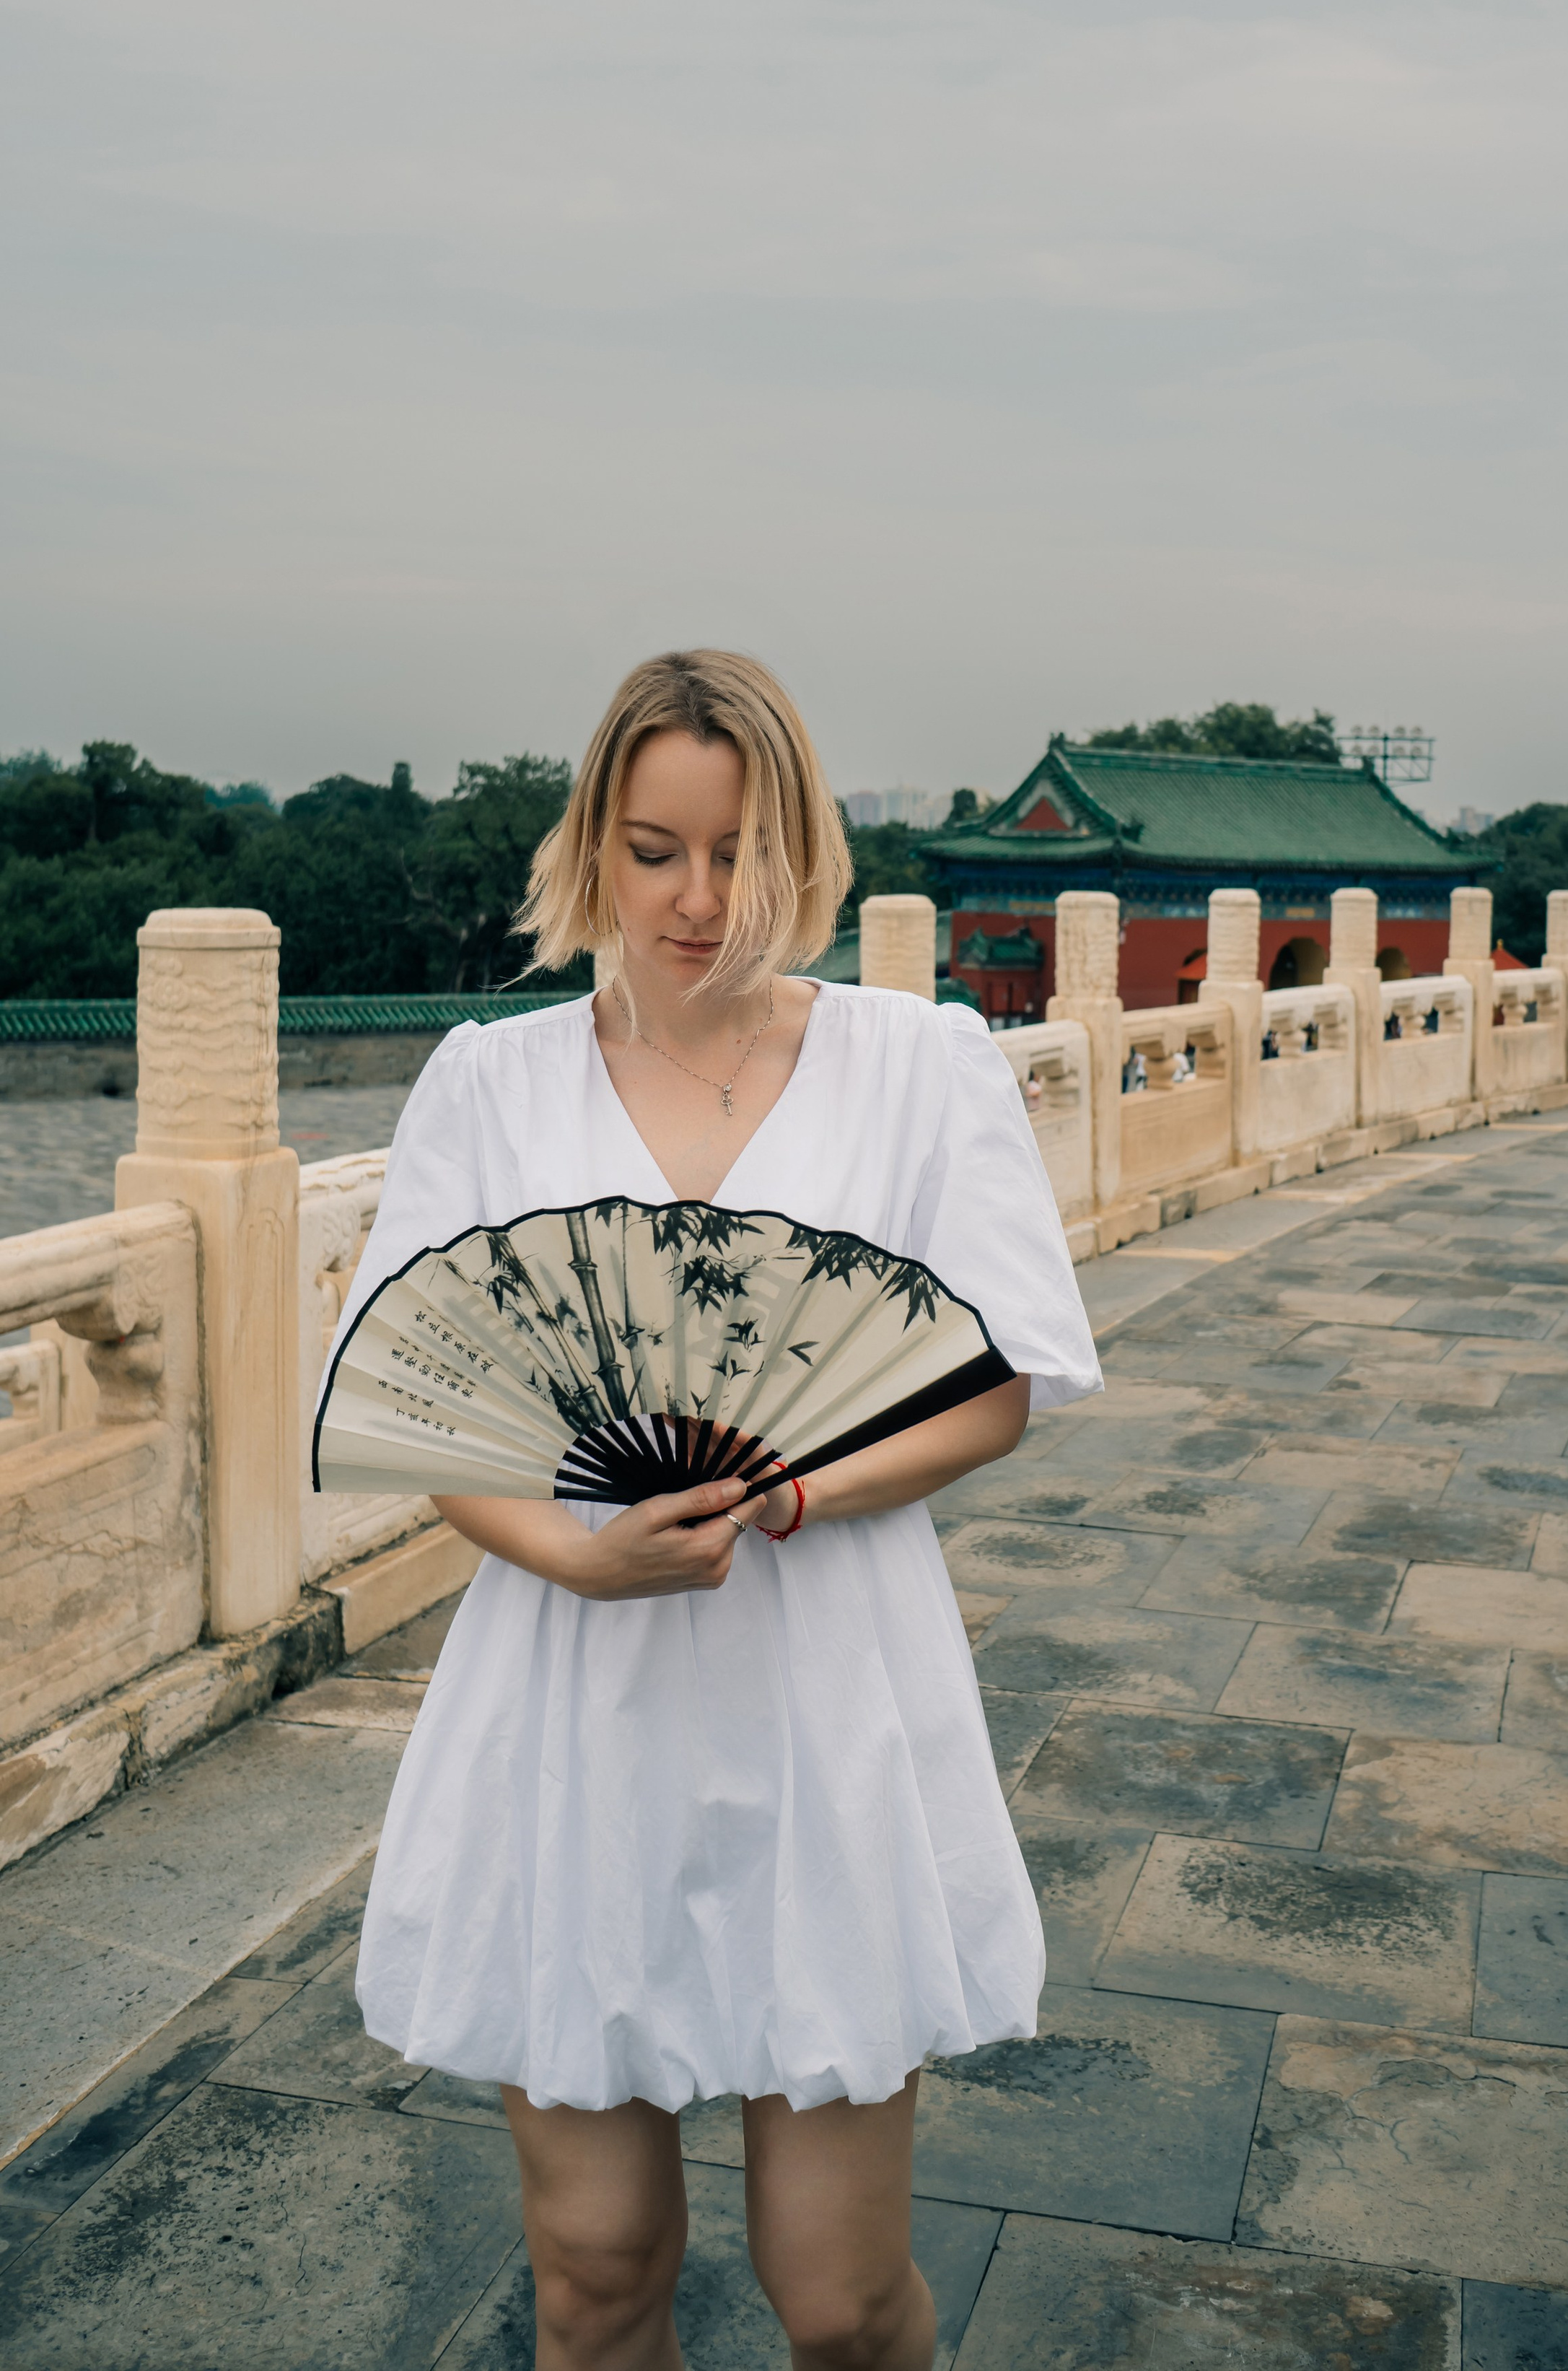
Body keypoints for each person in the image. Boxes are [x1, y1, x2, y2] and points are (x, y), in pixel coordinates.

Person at [326, 650, 1101, 2371]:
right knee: (595, 2271)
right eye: (656, 847)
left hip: (827, 1687)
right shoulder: (489, 1083)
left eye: (742, 851)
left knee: (835, 2297)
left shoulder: (920, 1067)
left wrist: (803, 1488)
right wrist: (580, 1557)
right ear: (595, 841)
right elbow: (421, 1412)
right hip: (572, 1699)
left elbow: (994, 1384)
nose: (699, 899)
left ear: (804, 848)